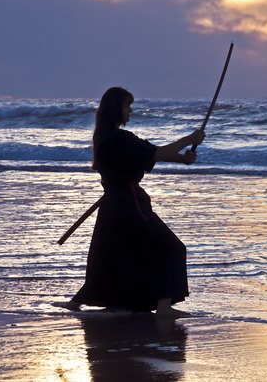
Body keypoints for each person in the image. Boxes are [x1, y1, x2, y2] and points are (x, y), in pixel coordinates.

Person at [65, 86, 205, 318]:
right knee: (172, 247)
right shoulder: (118, 138)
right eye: (126, 105)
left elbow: (150, 151)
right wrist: (189, 139)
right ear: (115, 109)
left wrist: (183, 160)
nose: (130, 110)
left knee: (115, 255)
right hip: (129, 204)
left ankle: (77, 302)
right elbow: (155, 154)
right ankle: (163, 306)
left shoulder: (108, 137)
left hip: (114, 205)